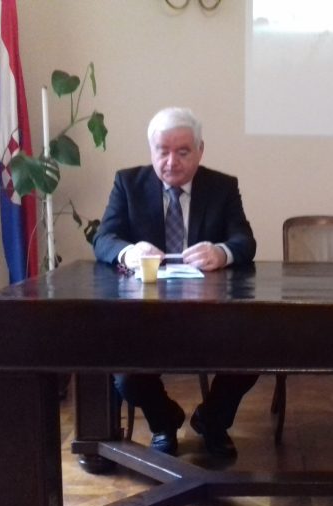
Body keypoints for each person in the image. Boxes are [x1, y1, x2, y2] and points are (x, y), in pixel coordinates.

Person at [93, 107, 258, 458]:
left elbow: (245, 241)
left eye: (183, 152)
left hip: (209, 312)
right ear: (151, 150)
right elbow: (104, 239)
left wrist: (222, 252)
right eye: (163, 151)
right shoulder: (128, 183)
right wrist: (129, 252)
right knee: (125, 374)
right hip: (144, 312)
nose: (171, 162)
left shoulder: (222, 187)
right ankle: (164, 421)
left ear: (200, 150)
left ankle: (212, 421)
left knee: (253, 355)